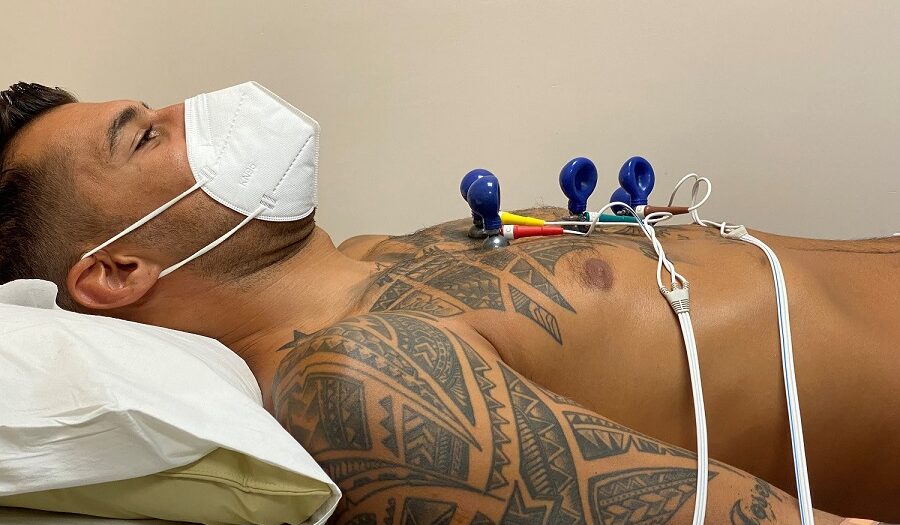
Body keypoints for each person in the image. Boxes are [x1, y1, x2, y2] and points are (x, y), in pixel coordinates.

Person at [1, 82, 897, 525]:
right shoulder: (359, 380)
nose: (195, 109)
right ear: (117, 271)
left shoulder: (378, 255)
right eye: (145, 137)